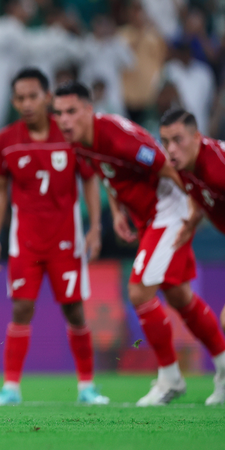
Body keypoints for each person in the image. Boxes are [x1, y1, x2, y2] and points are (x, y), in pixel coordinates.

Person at [53, 82, 225, 406]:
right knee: (179, 295)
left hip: (168, 210)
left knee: (139, 290)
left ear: (89, 110)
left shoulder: (119, 137)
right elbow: (106, 173)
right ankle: (223, 369)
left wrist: (192, 208)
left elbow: (167, 166)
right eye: (59, 113)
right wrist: (118, 210)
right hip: (146, 217)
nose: (64, 120)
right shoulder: (79, 140)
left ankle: (171, 378)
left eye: (71, 111)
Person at [0, 68, 107, 406]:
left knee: (74, 310)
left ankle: (87, 387)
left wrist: (96, 226)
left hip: (66, 238)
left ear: (47, 97)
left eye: (32, 96)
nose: (26, 103)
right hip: (25, 238)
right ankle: (10, 388)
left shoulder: (69, 135)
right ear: (13, 101)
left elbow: (90, 181)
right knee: (22, 307)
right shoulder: (6, 139)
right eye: (20, 98)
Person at [159, 108, 225, 404]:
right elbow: (199, 195)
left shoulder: (218, 168)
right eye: (165, 141)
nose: (171, 149)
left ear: (197, 137)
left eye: (177, 140)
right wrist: (192, 221)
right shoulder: (186, 167)